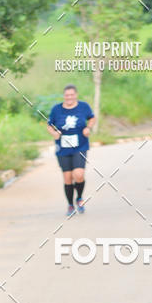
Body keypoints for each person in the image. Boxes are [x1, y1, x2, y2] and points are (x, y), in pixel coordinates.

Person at [47, 85, 95, 216]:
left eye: (71, 95)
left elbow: (92, 118)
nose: (69, 97)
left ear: (76, 95)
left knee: (78, 174)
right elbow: (49, 125)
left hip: (80, 146)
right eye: (67, 95)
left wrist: (88, 128)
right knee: (67, 177)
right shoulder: (57, 109)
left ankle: (79, 197)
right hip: (63, 148)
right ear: (64, 96)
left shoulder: (83, 107)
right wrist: (54, 133)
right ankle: (70, 205)